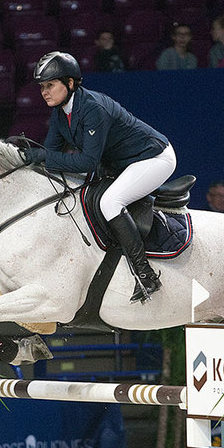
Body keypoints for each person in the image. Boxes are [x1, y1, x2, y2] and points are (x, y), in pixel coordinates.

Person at [21, 52, 176, 303]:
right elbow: (50, 155)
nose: (44, 92)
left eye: (50, 85)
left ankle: (145, 274)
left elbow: (86, 162)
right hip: (122, 163)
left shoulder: (93, 108)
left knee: (110, 202)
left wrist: (40, 156)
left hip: (153, 158)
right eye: (42, 87)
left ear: (70, 83)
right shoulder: (60, 113)